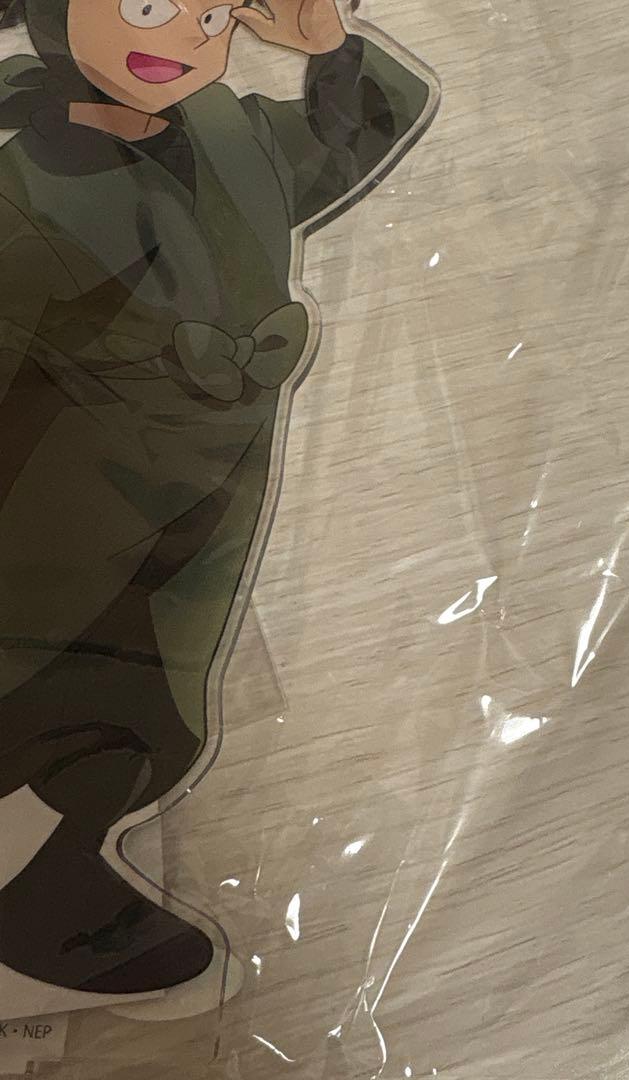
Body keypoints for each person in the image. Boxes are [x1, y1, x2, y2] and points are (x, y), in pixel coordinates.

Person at [0, 0, 436, 994]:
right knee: (31, 673)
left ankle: (53, 882)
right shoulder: (21, 182)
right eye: (149, 6)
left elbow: (352, 136)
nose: (186, 36)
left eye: (210, 11)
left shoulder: (233, 136)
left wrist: (328, 46)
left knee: (155, 704)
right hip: (57, 499)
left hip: (205, 494)